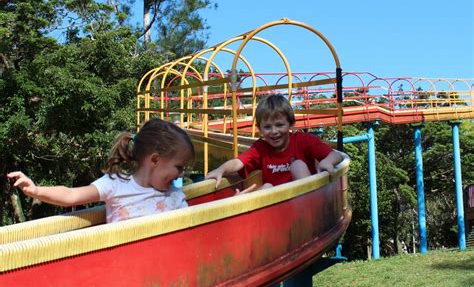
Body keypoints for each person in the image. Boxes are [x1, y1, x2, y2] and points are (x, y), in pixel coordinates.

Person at [8, 118, 195, 223]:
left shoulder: (175, 197)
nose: (180, 174)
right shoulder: (116, 184)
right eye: (179, 167)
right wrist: (36, 190)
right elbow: (71, 195)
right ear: (154, 160)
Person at [206, 93, 343, 189]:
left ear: (291, 124)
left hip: (305, 199)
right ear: (259, 128)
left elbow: (337, 155)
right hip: (278, 207)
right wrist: (222, 169)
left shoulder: (302, 141)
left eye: (279, 125)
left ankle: (308, 217)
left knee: (297, 165)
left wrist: (326, 161)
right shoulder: (261, 148)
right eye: (267, 127)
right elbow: (238, 162)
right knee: (266, 186)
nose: (274, 131)